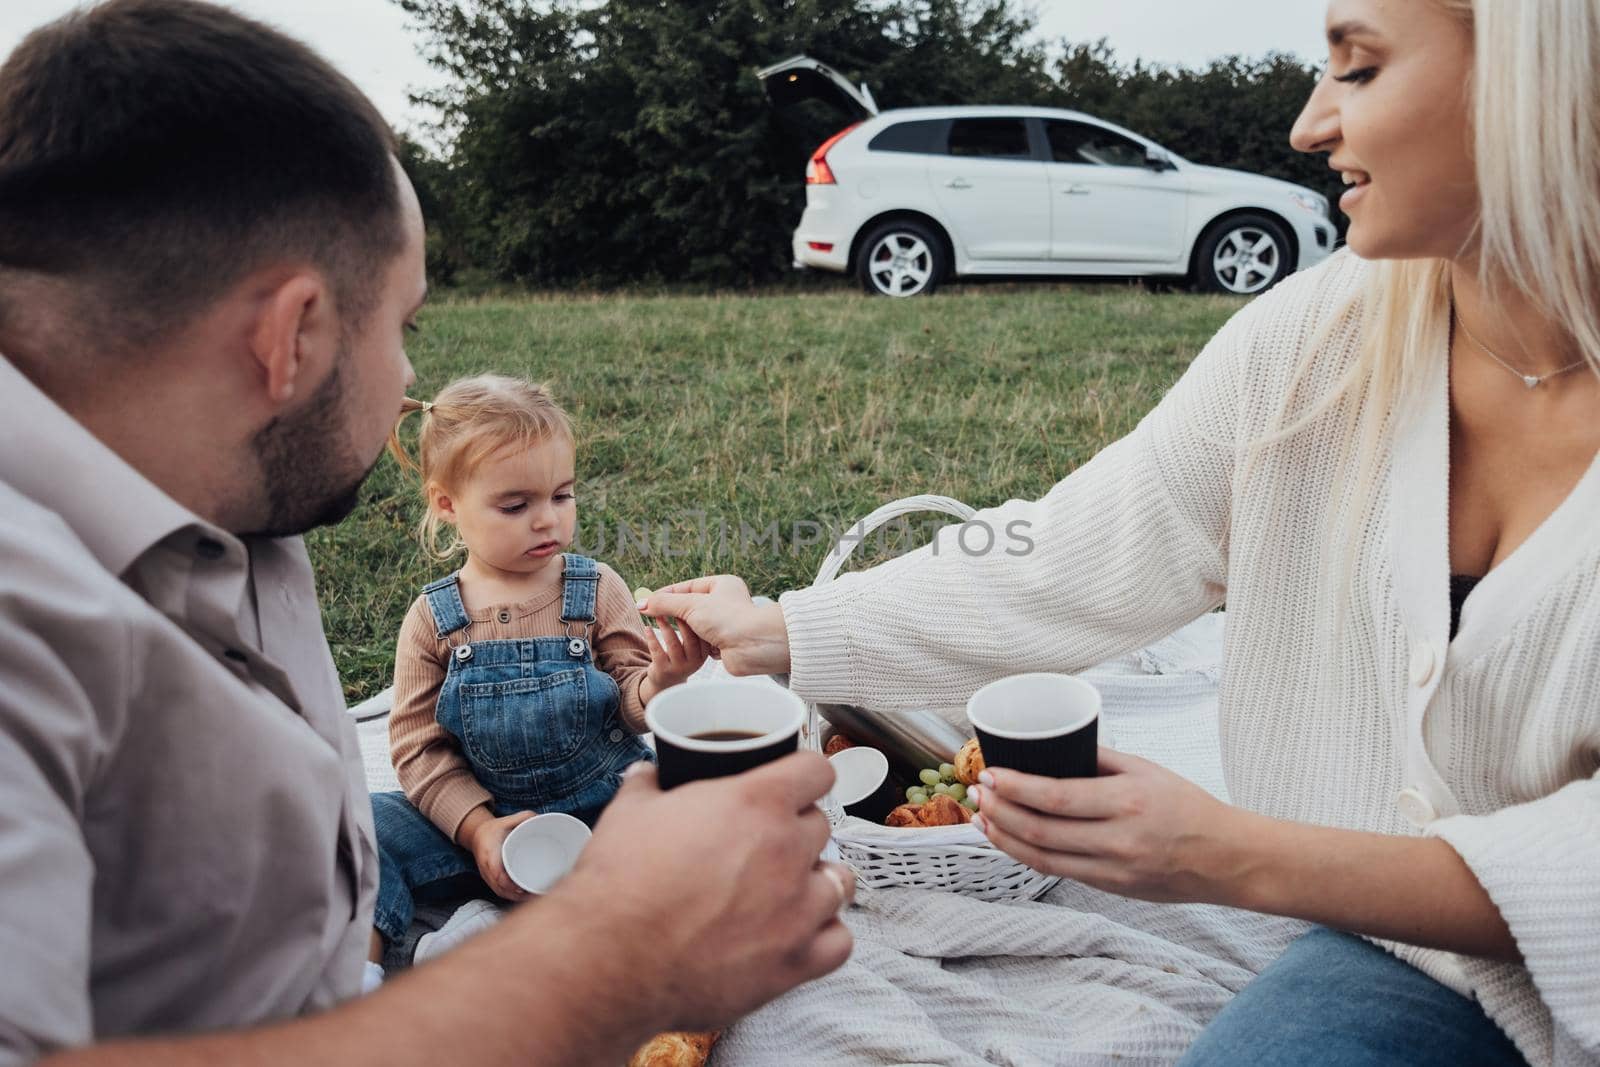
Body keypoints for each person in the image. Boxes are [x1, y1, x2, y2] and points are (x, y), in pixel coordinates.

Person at [640, 0, 1598, 1063]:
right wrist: (779, 628)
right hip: (1411, 957)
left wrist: (1232, 856)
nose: (1308, 124)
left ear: (1530, 81)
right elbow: (1073, 548)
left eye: (1358, 69)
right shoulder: (1313, 337)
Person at [0, 3, 852, 1064]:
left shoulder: (231, 482)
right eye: (402, 329)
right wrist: (613, 954)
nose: (409, 387)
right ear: (291, 337)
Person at [367, 374, 707, 973]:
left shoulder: (596, 588)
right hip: (489, 824)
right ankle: (357, 982)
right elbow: (419, 751)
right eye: (516, 505)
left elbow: (629, 697)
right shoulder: (434, 620)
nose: (547, 520)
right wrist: (477, 831)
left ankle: (618, 932)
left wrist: (661, 683)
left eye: (563, 495)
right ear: (447, 503)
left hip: (609, 811)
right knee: (361, 830)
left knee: (707, 803)